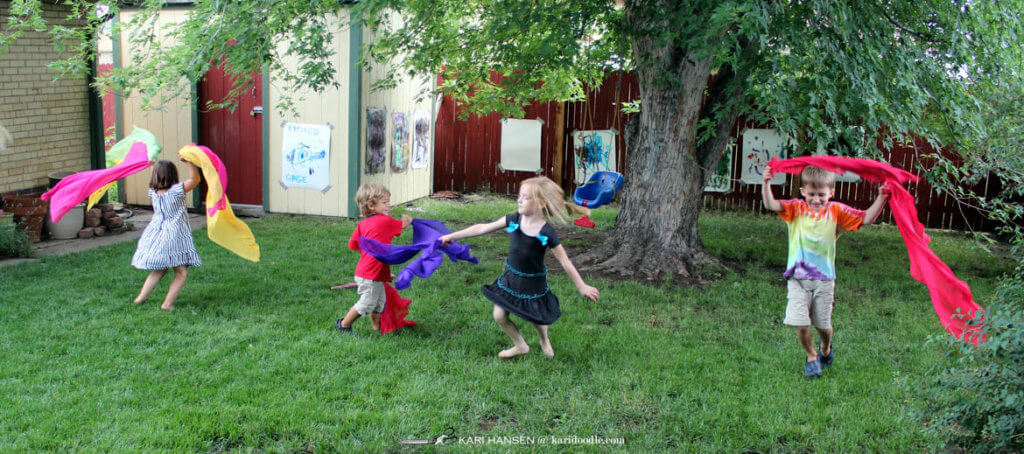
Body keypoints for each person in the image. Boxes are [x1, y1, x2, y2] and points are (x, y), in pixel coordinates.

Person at [439, 176, 600, 358]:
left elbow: (565, 261)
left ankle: (544, 339)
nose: (519, 200)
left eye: (525, 197)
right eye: (519, 195)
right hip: (510, 278)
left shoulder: (546, 232)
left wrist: (582, 286)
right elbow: (482, 228)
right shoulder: (514, 219)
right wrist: (453, 235)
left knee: (536, 317)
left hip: (533, 283)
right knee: (499, 316)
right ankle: (521, 345)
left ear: (541, 203)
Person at [761, 165, 888, 377]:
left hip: (824, 281)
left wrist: (882, 197)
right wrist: (766, 183)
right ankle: (811, 356)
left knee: (823, 326)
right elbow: (770, 204)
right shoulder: (795, 209)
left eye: (821, 194)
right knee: (801, 324)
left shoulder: (836, 211)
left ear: (831, 192)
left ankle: (825, 348)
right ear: (803, 192)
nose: (816, 199)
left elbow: (866, 218)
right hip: (798, 279)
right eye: (811, 194)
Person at [336, 183, 412, 334]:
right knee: (367, 303)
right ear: (371, 205)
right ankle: (343, 324)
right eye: (384, 202)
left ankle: (376, 329)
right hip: (369, 274)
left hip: (370, 272)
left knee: (378, 304)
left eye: (388, 201)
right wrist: (408, 220)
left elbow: (353, 244)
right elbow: (402, 225)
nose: (389, 205)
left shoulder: (362, 224)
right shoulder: (385, 221)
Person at [131, 158, 202, 310]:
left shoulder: (153, 193)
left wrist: (153, 166)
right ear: (172, 175)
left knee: (161, 268)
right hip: (174, 235)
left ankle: (140, 298)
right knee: (181, 272)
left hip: (156, 234)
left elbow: (156, 177)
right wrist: (188, 162)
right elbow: (195, 179)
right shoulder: (176, 191)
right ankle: (167, 304)